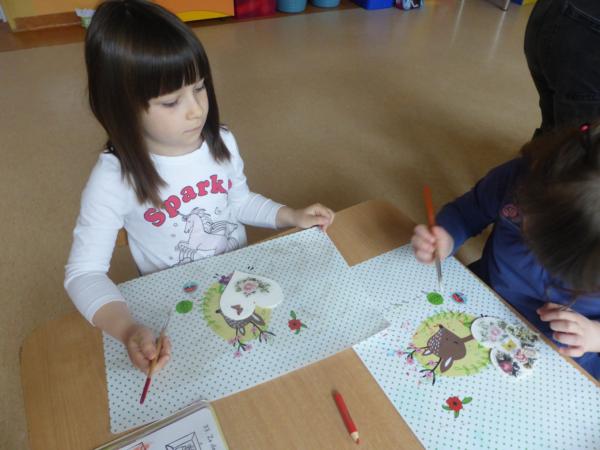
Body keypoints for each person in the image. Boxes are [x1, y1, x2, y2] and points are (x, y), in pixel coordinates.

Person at [64, 0, 334, 374]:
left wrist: (290, 215)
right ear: (122, 107)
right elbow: (83, 274)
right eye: (171, 101)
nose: (196, 110)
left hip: (238, 285)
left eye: (200, 87)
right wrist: (127, 329)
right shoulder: (114, 178)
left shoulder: (221, 141)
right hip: (175, 310)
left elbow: (239, 201)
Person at [411, 123, 600, 378]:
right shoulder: (520, 178)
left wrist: (594, 335)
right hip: (485, 295)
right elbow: (468, 211)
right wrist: (446, 237)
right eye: (531, 234)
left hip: (570, 349)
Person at [524, 0, 600, 136]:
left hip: (551, 12)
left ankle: (548, 143)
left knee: (554, 126)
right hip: (586, 31)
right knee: (576, 139)